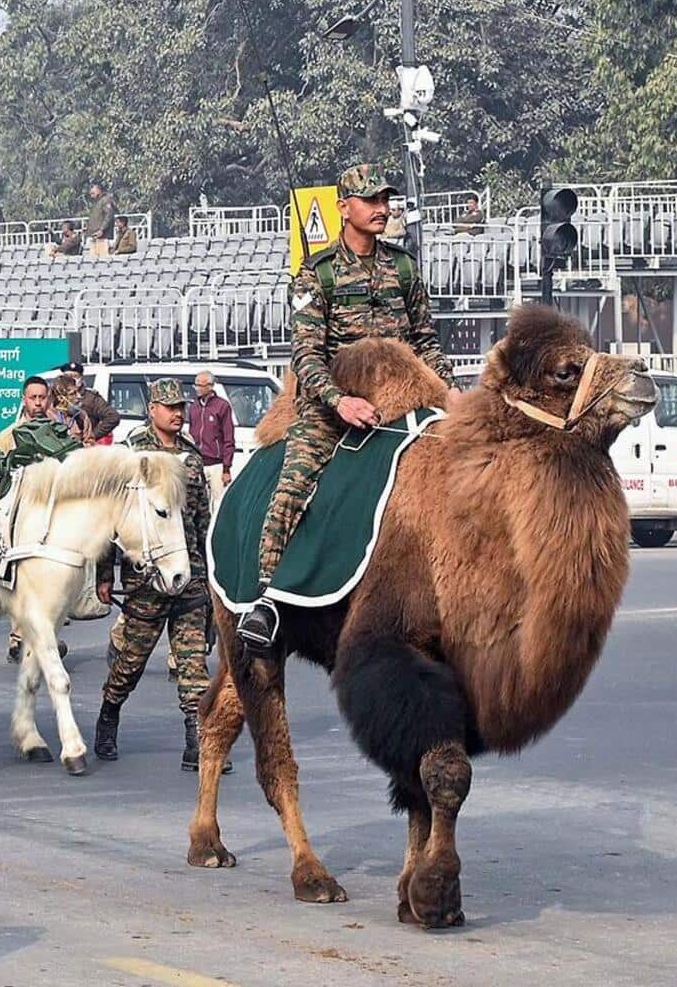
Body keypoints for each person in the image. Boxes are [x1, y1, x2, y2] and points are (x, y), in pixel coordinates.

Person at [241, 164, 458, 648]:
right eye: (370, 201)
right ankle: (266, 601)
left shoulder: (403, 267)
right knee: (293, 482)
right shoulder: (315, 275)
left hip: (402, 399)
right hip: (333, 403)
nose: (382, 209)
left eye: (385, 200)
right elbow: (306, 356)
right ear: (344, 208)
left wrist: (452, 387)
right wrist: (341, 403)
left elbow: (426, 341)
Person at [92, 379, 227, 773]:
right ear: (152, 409)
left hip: (189, 577)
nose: (177, 413)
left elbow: (202, 519)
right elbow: (111, 520)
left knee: (193, 665)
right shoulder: (132, 455)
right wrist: (105, 574)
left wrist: (209, 572)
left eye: (181, 407)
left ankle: (196, 741)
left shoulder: (190, 456)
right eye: (169, 407)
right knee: (129, 664)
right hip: (145, 579)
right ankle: (109, 714)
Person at [187, 371, 236, 503]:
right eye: (195, 385)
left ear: (210, 386)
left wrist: (226, 468)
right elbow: (191, 434)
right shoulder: (193, 407)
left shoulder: (222, 406)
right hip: (198, 463)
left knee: (219, 501)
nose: (197, 388)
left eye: (200, 385)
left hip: (217, 464)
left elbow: (229, 438)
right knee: (199, 502)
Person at [52, 372, 120, 445]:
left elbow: (113, 416)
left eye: (77, 392)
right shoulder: (50, 416)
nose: (78, 397)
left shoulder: (83, 415)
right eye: (73, 394)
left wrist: (89, 437)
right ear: (60, 398)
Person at [0, 375, 53, 451]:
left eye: (42, 397)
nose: (38, 403)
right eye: (33, 397)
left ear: (49, 400)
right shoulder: (6, 438)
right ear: (23, 400)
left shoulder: (58, 433)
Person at [85, 182, 116, 257]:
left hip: (103, 236)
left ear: (99, 190)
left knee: (102, 258)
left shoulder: (105, 200)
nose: (91, 195)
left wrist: (102, 229)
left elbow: (109, 215)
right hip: (95, 236)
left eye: (93, 193)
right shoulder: (96, 202)